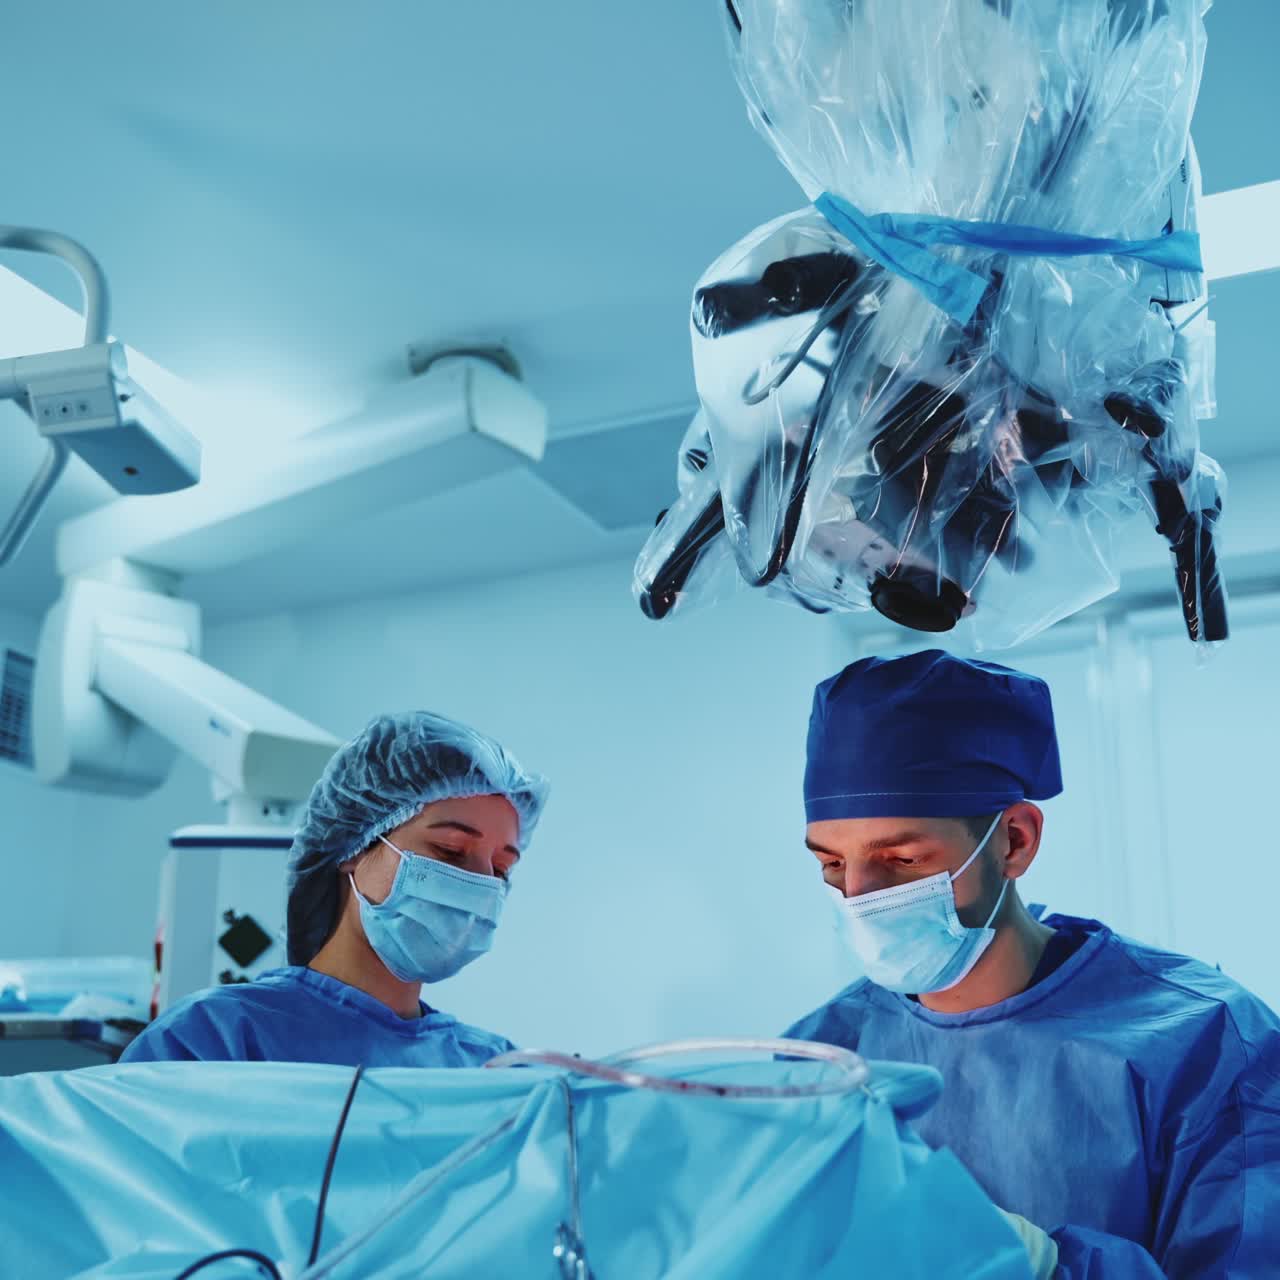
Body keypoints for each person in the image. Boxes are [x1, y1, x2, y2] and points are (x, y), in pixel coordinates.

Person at [785, 650, 1280, 1279]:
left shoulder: (1212, 1048)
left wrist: (1041, 1266)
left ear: (1014, 840)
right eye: (831, 863)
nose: (858, 898)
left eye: (902, 861)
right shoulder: (815, 1062)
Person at [122, 711, 547, 1068]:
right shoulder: (210, 1041)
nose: (479, 884)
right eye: (450, 850)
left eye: (501, 868)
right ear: (354, 848)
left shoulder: (493, 1069)